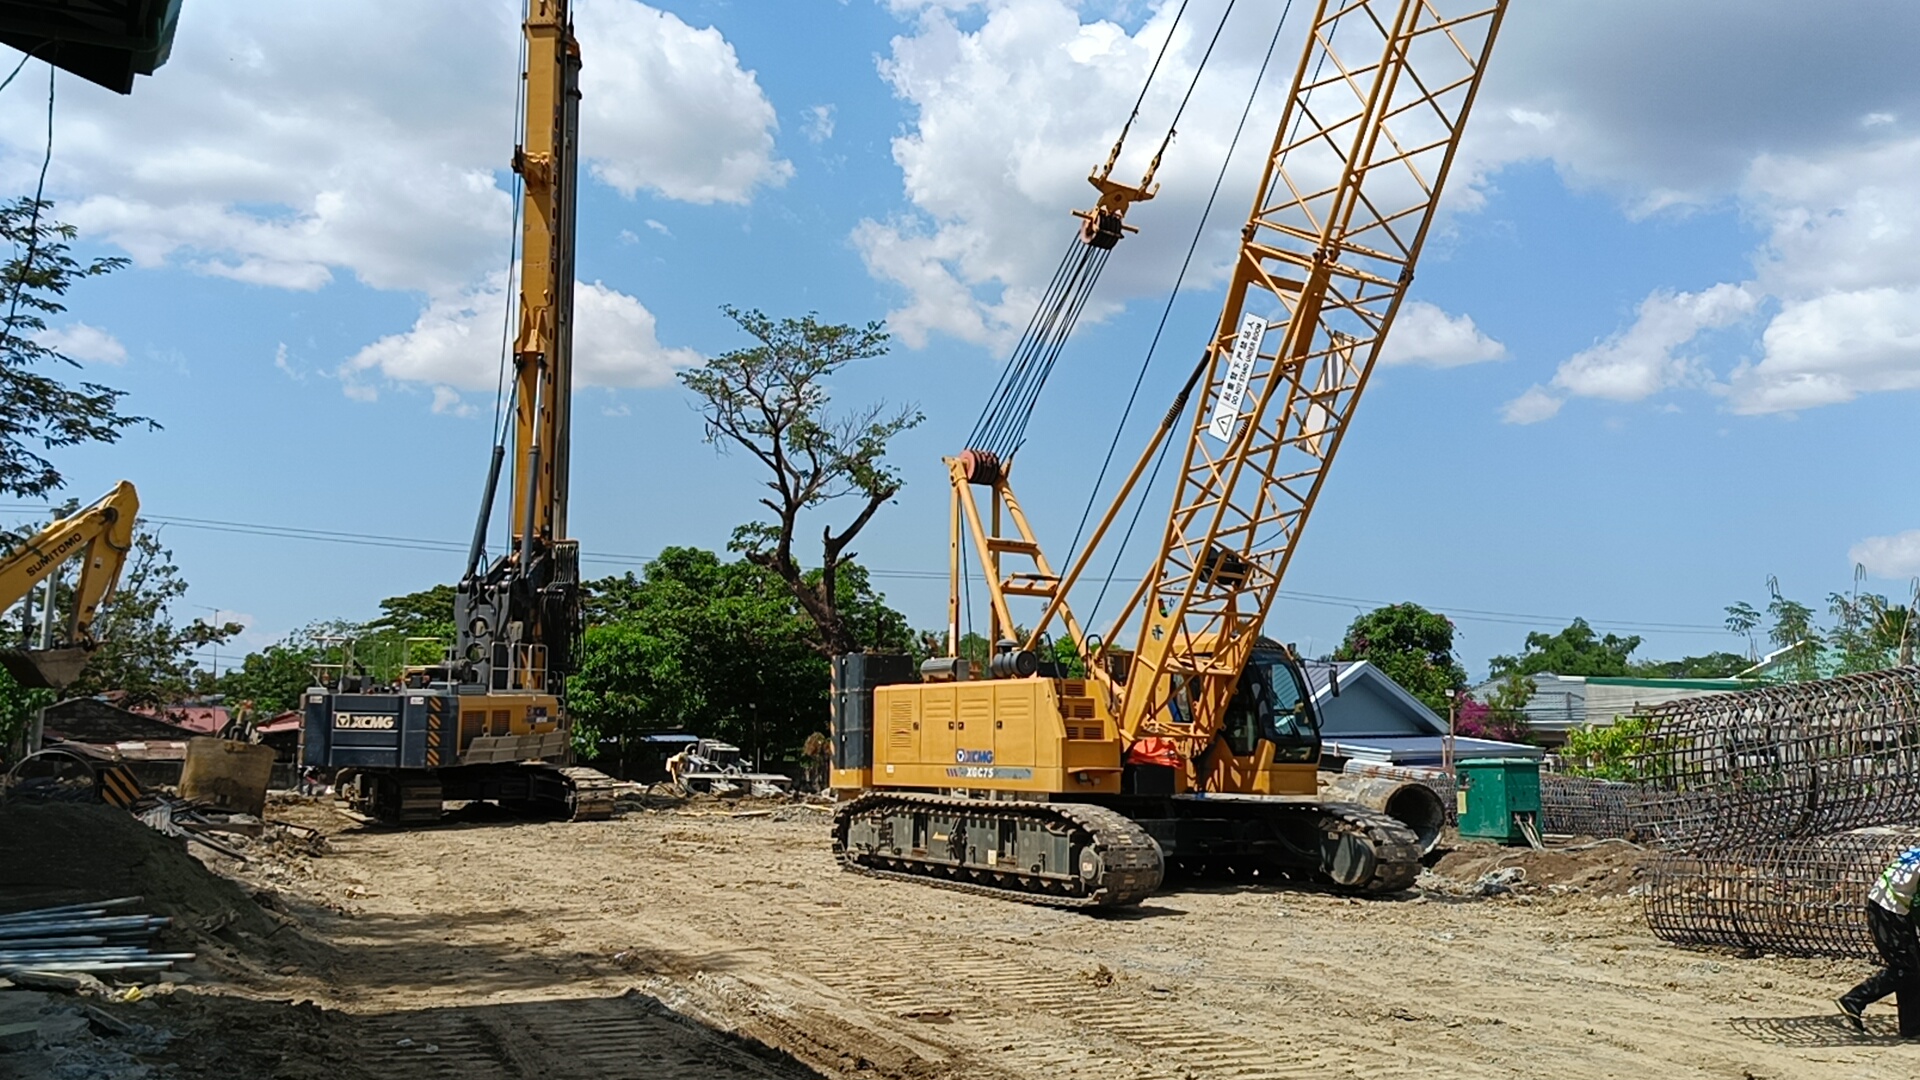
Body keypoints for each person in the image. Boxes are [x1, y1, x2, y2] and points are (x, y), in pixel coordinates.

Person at [1839, 845, 1920, 1031]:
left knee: (1914, 968)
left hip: (1892, 906)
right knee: (1905, 968)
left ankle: (1912, 1026)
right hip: (1888, 909)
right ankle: (1854, 1000)